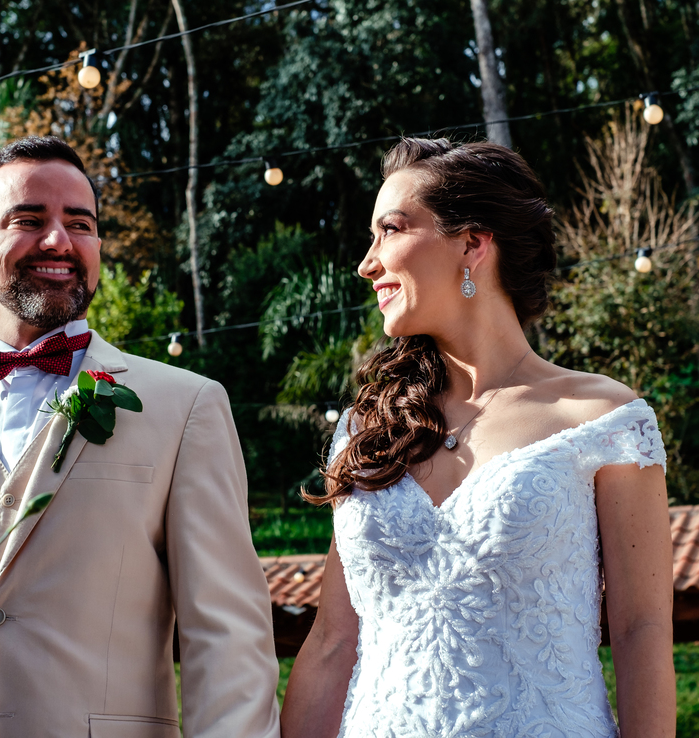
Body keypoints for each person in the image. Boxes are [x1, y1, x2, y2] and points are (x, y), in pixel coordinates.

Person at [0, 136, 281, 738]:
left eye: (81, 224)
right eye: (29, 219)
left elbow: (228, 638)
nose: (59, 241)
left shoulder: (187, 407)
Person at [281, 138, 675, 738]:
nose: (367, 264)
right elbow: (334, 640)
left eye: (390, 230)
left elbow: (640, 629)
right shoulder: (368, 430)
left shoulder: (604, 420)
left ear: (472, 243)